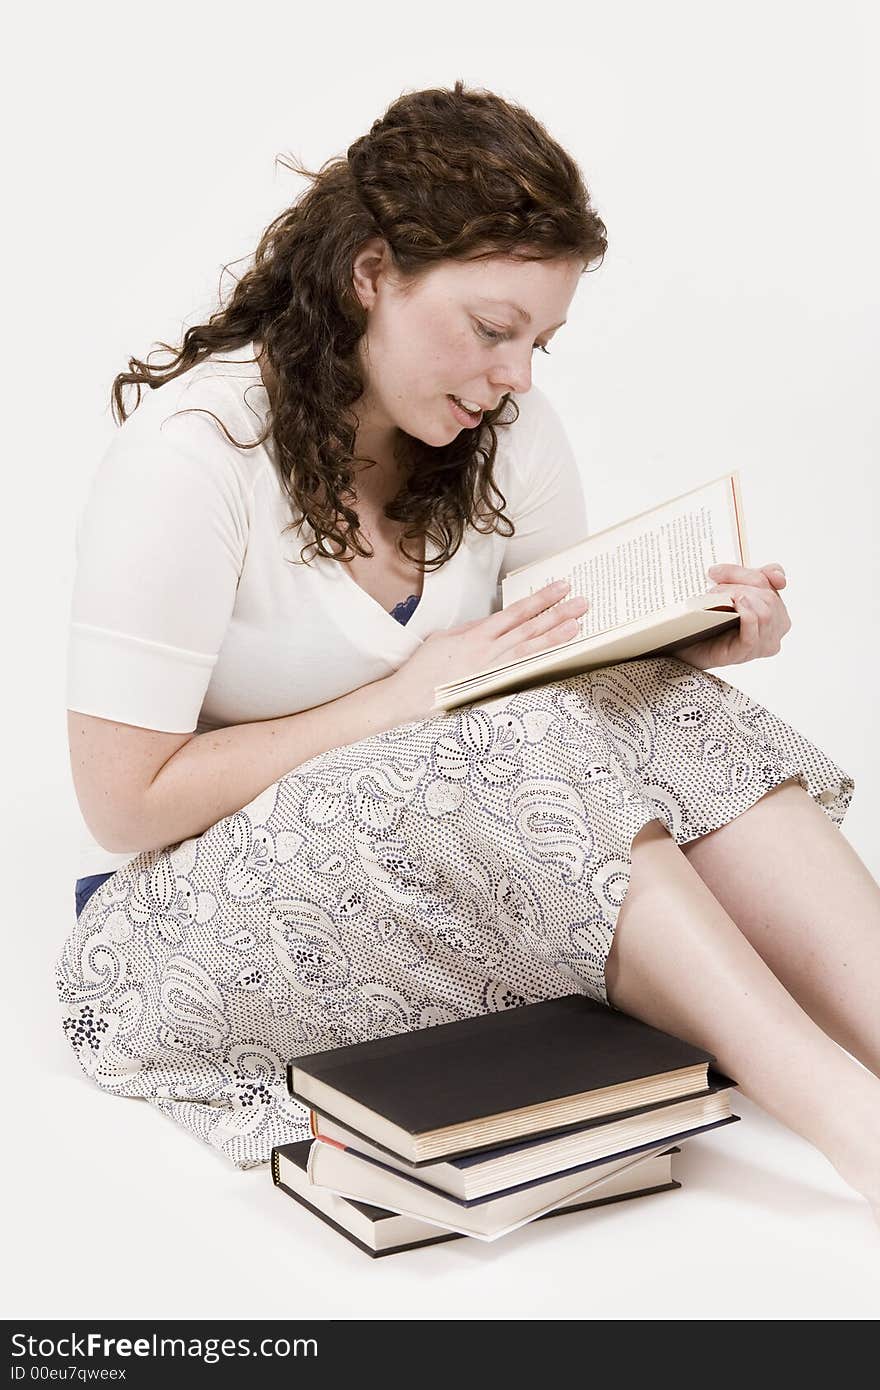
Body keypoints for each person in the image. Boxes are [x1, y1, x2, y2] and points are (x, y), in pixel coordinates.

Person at [58, 81, 880, 1224]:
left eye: (538, 341)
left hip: (435, 874)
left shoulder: (508, 437)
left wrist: (700, 644)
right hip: (189, 938)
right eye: (493, 330)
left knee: (638, 702)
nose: (519, 375)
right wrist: (402, 697)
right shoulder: (191, 459)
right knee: (504, 727)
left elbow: (570, 695)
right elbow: (124, 806)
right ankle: (849, 1120)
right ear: (371, 274)